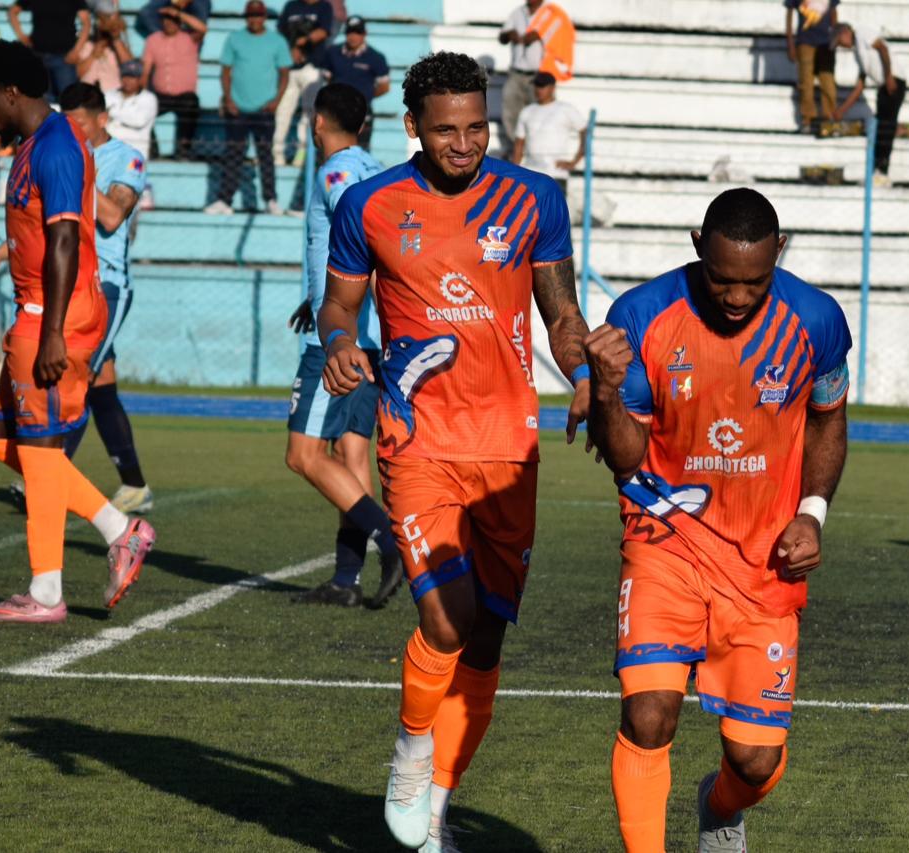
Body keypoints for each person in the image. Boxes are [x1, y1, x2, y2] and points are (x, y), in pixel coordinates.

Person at [319, 50, 591, 852]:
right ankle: (411, 749)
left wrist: (584, 375)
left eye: (477, 128)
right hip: (420, 438)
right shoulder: (369, 205)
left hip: (508, 446)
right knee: (446, 617)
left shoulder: (535, 198)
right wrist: (339, 342)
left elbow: (561, 314)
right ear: (413, 126)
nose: (465, 144)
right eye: (447, 131)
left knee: (488, 636)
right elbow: (338, 304)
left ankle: (437, 805)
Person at [584, 187, 851, 853]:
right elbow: (626, 458)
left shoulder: (817, 320)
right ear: (698, 246)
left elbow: (828, 421)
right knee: (648, 715)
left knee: (755, 763)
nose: (736, 297)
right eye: (722, 279)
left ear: (779, 252)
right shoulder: (641, 315)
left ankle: (720, 806)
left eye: (754, 283)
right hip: (664, 542)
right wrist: (607, 391)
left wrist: (812, 514)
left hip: (763, 563)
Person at [0, 40, 155, 624]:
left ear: (10, 92)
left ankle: (44, 593)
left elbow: (64, 237)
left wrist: (53, 330)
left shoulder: (59, 144)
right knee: (6, 438)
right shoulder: (34, 142)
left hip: (52, 314)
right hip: (38, 311)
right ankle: (118, 529)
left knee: (40, 449)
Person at [285, 82, 401, 609]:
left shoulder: (336, 173)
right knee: (351, 453)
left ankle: (392, 541)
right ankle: (346, 580)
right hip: (366, 338)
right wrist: (316, 297)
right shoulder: (375, 168)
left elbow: (365, 236)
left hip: (336, 342)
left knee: (303, 455)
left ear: (316, 122)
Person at [56, 82, 152, 512]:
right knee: (101, 388)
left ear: (101, 119)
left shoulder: (126, 158)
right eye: (67, 124)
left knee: (77, 377)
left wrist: (80, 172)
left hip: (106, 286)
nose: (73, 132)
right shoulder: (66, 155)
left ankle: (50, 473)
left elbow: (112, 217)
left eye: (79, 123)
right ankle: (134, 485)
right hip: (69, 283)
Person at [205, 0, 290, 216]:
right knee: (233, 154)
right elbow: (225, 71)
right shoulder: (235, 38)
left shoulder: (277, 41)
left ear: (264, 17)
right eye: (251, 15)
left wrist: (276, 100)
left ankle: (270, 200)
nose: (254, 20)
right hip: (238, 109)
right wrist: (228, 99)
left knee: (265, 156)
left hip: (264, 110)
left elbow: (284, 73)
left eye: (258, 15)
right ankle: (225, 200)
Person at [832, 22, 905, 188]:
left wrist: (889, 77)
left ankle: (883, 173)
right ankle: (877, 171)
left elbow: (883, 49)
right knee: (881, 129)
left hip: (893, 82)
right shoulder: (858, 52)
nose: (841, 46)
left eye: (839, 41)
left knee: (886, 128)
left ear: (845, 33)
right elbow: (860, 86)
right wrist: (842, 110)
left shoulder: (862, 33)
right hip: (883, 86)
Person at [141, 3, 204, 161]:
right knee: (142, 107)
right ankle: (152, 148)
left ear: (180, 22)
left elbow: (202, 28)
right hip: (161, 95)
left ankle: (184, 150)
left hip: (184, 96)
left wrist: (178, 13)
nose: (170, 23)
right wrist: (141, 94)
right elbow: (145, 70)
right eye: (166, 19)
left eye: (173, 19)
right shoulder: (153, 40)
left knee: (191, 104)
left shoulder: (189, 38)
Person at [275, 0, 332, 166]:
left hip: (313, 67)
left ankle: (302, 152)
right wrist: (290, 50)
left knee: (310, 112)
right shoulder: (291, 6)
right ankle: (277, 152)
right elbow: (281, 32)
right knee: (283, 110)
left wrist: (303, 42)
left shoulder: (324, 6)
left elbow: (323, 32)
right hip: (290, 67)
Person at [316, 16, 387, 151]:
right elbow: (327, 79)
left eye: (357, 32)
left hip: (363, 112)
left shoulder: (376, 58)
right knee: (334, 149)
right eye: (350, 32)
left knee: (361, 149)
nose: (353, 36)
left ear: (364, 34)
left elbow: (384, 87)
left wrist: (362, 99)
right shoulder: (332, 53)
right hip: (336, 110)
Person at [510, 70, 584, 192]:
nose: (538, 90)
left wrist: (575, 161)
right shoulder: (526, 111)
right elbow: (519, 145)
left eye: (542, 86)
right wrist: (514, 174)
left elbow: (585, 132)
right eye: (536, 85)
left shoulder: (565, 109)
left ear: (552, 88)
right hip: (531, 173)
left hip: (556, 174)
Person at [7, 0, 91, 102]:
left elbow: (86, 22)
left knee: (70, 100)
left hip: (65, 58)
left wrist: (76, 51)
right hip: (38, 56)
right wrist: (21, 36)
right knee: (42, 102)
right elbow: (13, 12)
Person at [783, 0, 839, 134]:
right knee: (806, 82)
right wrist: (790, 44)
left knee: (828, 82)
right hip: (805, 41)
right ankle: (807, 120)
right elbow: (789, 13)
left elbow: (834, 12)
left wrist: (835, 38)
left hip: (826, 43)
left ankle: (829, 119)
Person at [497, 0, 543, 156]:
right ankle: (515, 150)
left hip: (539, 76)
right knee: (510, 112)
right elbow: (502, 38)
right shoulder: (517, 12)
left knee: (539, 114)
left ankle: (534, 151)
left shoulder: (549, 14)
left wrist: (539, 36)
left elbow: (559, 39)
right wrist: (509, 34)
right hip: (516, 73)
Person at [104, 60, 156, 160]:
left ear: (139, 79)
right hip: (110, 152)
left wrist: (112, 113)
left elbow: (139, 121)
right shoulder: (109, 95)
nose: (127, 81)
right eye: (125, 76)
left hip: (136, 153)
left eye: (132, 77)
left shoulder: (148, 98)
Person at [72, 14, 131, 92]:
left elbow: (130, 67)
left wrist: (116, 38)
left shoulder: (119, 46)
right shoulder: (85, 45)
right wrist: (92, 56)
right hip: (88, 93)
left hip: (113, 92)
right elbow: (77, 74)